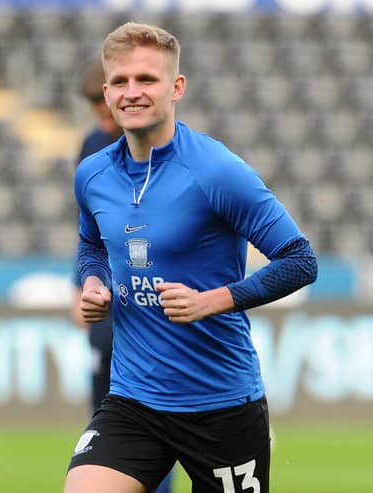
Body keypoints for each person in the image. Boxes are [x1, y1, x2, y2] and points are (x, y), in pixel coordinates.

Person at [65, 22, 317, 493]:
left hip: (219, 405)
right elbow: (92, 243)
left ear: (176, 87)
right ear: (106, 90)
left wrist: (213, 300)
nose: (131, 92)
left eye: (146, 79)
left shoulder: (216, 171)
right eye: (120, 81)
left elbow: (300, 259)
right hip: (134, 400)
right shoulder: (93, 174)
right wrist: (93, 280)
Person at [70, 54, 175, 493]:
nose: (105, 119)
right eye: (98, 108)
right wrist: (81, 284)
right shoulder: (93, 147)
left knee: (161, 419)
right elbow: (88, 231)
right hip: (110, 310)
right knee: (110, 415)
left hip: (153, 302)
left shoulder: (164, 148)